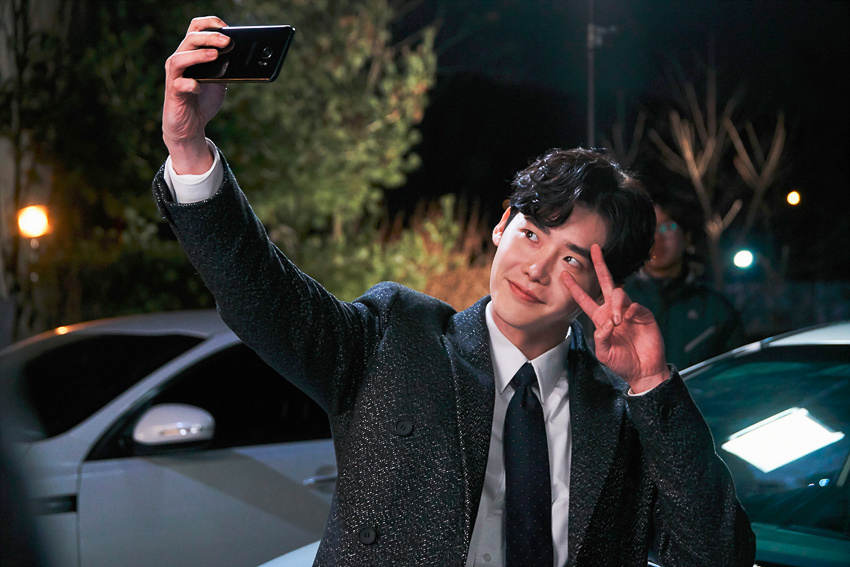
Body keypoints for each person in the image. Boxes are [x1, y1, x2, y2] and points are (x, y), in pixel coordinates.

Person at [152, 17, 755, 566]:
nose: (536, 268)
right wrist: (189, 147)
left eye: (572, 258)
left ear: (607, 283)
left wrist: (652, 385)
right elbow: (262, 295)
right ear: (501, 226)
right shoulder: (396, 338)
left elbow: (717, 553)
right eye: (531, 233)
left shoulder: (621, 407)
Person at [624, 185, 746, 369]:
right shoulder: (619, 301)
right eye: (648, 228)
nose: (656, 237)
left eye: (668, 226)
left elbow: (735, 374)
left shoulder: (715, 310)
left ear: (687, 237)